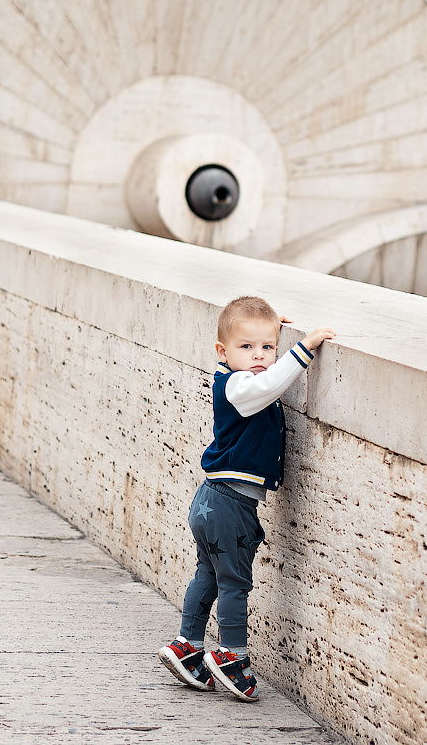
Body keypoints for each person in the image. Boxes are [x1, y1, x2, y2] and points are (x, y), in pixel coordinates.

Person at [158, 295, 335, 702]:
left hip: (211, 500)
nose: (259, 357)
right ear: (222, 352)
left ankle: (187, 646)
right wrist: (301, 349)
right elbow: (269, 384)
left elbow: (261, 364)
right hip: (230, 505)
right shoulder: (238, 385)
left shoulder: (236, 375)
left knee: (208, 574)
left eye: (266, 347)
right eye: (246, 347)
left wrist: (269, 328)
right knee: (236, 583)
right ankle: (232, 657)